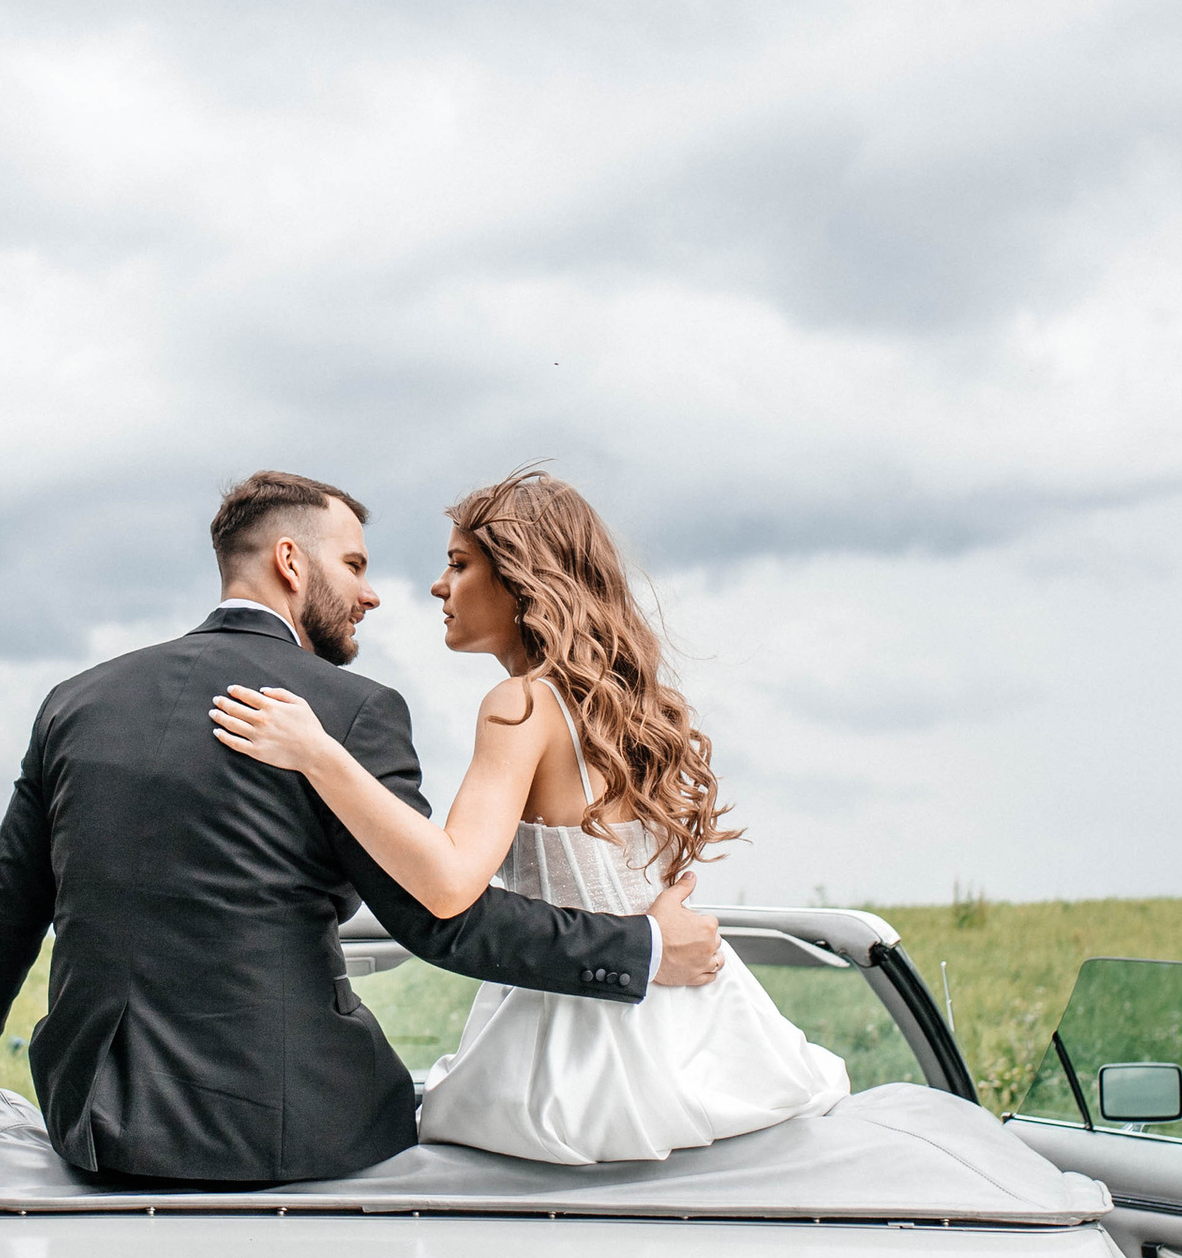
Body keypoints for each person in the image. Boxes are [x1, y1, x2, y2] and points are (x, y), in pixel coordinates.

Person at [0, 470, 725, 1186]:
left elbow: (6, 901)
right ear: (292, 562)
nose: (371, 592)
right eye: (355, 564)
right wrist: (639, 951)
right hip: (292, 1127)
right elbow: (441, 916)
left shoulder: (77, 701)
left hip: (93, 1121)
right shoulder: (351, 712)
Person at [209, 468, 847, 1167]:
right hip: (702, 1027)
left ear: (519, 580)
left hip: (581, 1049)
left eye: (459, 564)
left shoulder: (518, 705)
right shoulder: (623, 711)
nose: (437, 586)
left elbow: (451, 882)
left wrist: (316, 753)